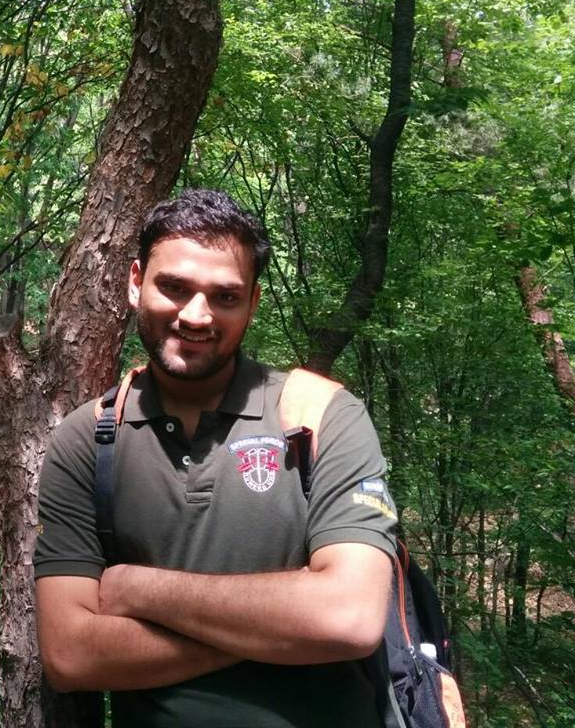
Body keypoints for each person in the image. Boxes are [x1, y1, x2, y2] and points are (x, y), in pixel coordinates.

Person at [34, 189, 398, 727]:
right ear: (136, 282)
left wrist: (138, 588)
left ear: (252, 302)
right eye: (174, 287)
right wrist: (282, 628)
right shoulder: (86, 441)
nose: (196, 315)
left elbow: (349, 618)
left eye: (225, 296)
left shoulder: (320, 416)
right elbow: (70, 654)